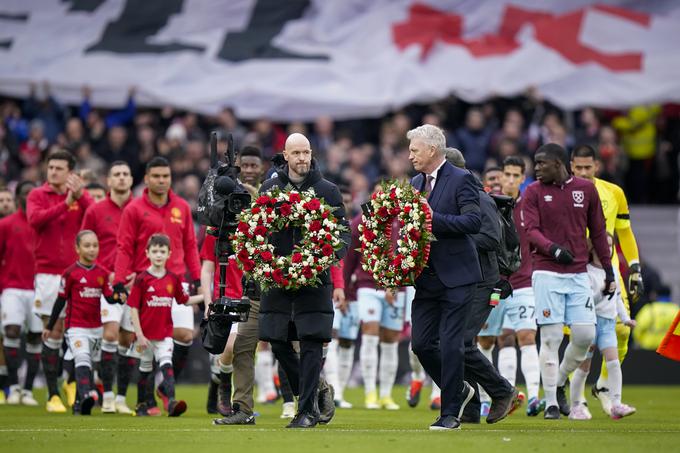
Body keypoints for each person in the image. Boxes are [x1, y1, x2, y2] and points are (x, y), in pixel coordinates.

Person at [256, 133, 349, 428]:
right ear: (285, 155)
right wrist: (266, 260)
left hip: (315, 280)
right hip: (278, 278)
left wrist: (324, 256)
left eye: (306, 152)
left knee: (310, 342)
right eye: (296, 153)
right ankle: (318, 390)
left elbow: (343, 232)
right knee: (277, 340)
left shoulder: (328, 190)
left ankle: (306, 411)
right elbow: (256, 228)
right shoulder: (270, 187)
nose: (302, 158)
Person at [522, 143, 614, 420]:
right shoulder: (533, 192)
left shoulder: (586, 190)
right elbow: (531, 231)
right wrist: (553, 249)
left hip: (577, 274)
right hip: (546, 272)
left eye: (542, 163)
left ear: (560, 164)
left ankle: (560, 380)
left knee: (585, 337)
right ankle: (551, 402)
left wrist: (608, 270)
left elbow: (598, 232)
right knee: (550, 338)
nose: (536, 168)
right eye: (535, 163)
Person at [407, 125, 482, 430]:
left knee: (451, 344)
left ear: (432, 151)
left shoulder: (462, 179)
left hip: (457, 275)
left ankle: (450, 412)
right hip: (426, 276)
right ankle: (461, 389)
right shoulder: (416, 181)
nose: (410, 155)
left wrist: (431, 219)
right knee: (421, 344)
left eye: (414, 149)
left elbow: (473, 221)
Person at [113, 156, 201, 414]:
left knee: (185, 335)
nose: (162, 181)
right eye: (157, 177)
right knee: (143, 344)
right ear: (147, 179)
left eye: (166, 176)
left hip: (176, 281)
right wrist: (120, 280)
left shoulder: (182, 207)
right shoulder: (134, 209)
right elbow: (125, 247)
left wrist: (195, 278)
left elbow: (189, 246)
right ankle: (145, 399)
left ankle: (163, 388)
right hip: (146, 282)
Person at [444, 148, 518, 425]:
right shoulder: (460, 196)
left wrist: (453, 240)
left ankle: (502, 390)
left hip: (484, 281)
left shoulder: (479, 198)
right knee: (458, 341)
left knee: (460, 341)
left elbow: (490, 238)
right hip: (465, 279)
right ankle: (473, 407)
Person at [570, 144, 643, 415]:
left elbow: (624, 231)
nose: (584, 172)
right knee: (579, 340)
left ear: (597, 167)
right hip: (577, 270)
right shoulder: (563, 191)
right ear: (571, 167)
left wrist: (634, 267)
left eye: (588, 167)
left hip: (608, 270)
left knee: (623, 330)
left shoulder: (614, 192)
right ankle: (574, 400)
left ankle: (602, 387)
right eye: (579, 167)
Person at [26, 149, 93, 413]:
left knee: (79, 331)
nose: (53, 171)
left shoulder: (80, 197)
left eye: (58, 168)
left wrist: (81, 195)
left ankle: (73, 382)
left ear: (71, 173)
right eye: (50, 167)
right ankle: (53, 394)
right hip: (48, 274)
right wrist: (65, 203)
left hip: (78, 272)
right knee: (52, 332)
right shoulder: (37, 195)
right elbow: (35, 220)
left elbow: (97, 216)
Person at [478, 156, 543, 416]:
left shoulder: (530, 205)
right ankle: (489, 397)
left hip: (524, 282)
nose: (511, 180)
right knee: (489, 340)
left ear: (523, 179)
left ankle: (534, 397)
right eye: (507, 174)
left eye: (517, 176)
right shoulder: (490, 205)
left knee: (526, 336)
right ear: (501, 176)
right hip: (495, 283)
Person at [80, 161, 136, 414]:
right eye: (117, 175)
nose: (122, 178)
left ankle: (122, 397)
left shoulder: (139, 209)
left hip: (134, 282)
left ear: (132, 179)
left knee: (127, 339)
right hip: (106, 283)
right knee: (110, 335)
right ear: (108, 181)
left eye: (125, 174)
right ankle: (108, 396)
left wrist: (136, 273)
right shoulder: (95, 210)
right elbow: (85, 245)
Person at [343, 181, 403, 411]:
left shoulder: (402, 221)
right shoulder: (361, 221)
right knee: (369, 334)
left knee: (390, 340)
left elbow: (409, 256)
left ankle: (386, 395)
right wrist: (346, 290)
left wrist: (395, 283)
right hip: (367, 286)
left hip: (396, 290)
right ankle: (370, 394)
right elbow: (349, 259)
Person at [42, 230, 115, 415]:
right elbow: (60, 301)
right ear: (77, 248)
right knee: (82, 360)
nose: (92, 249)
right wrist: (50, 326)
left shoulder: (102, 274)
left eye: (95, 245)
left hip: (96, 328)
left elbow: (110, 297)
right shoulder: (70, 273)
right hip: (75, 328)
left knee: (90, 363)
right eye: (87, 245)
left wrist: (120, 297)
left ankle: (78, 405)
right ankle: (84, 397)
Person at [568, 237, 637, 420]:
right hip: (590, 323)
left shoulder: (612, 270)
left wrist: (626, 319)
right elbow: (587, 301)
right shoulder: (586, 272)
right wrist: (603, 292)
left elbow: (618, 298)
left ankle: (616, 404)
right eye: (603, 244)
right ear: (593, 247)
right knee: (584, 367)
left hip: (607, 324)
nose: (607, 247)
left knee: (613, 363)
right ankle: (576, 405)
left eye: (610, 245)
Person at [127, 234, 188, 417]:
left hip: (165, 334)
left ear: (169, 253)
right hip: (145, 336)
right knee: (145, 369)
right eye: (155, 251)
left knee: (166, 365)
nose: (158, 255)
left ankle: (171, 403)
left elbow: (184, 300)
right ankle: (140, 405)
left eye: (162, 251)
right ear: (147, 253)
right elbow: (133, 308)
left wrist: (208, 300)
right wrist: (139, 334)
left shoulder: (173, 278)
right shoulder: (142, 279)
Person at [0, 181, 41, 406]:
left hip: (37, 288)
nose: (29, 196)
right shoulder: (6, 224)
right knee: (12, 331)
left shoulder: (42, 224)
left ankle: (27, 391)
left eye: (32, 193)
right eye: (25, 193)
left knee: (35, 336)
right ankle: (13, 387)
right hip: (12, 288)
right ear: (18, 198)